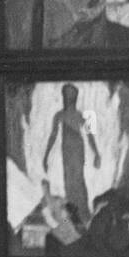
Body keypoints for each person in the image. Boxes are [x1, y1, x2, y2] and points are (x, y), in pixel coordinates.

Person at [43, 84, 101, 226]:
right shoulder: (60, 115)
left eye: (70, 96)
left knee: (78, 181)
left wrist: (96, 154)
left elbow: (90, 136)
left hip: (77, 150)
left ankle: (83, 213)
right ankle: (74, 214)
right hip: (67, 151)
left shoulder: (81, 115)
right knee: (69, 182)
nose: (68, 99)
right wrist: (46, 156)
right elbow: (53, 136)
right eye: (66, 96)